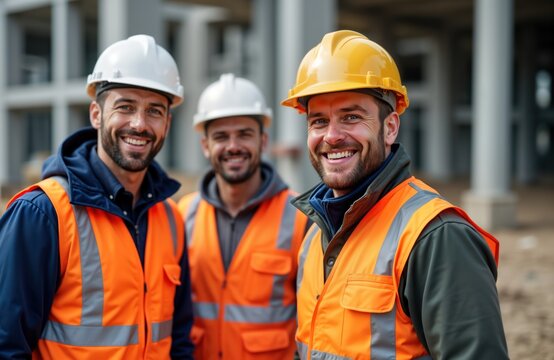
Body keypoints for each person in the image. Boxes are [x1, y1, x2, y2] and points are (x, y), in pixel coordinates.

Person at [281, 30, 509, 359]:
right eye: (319, 121)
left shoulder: (435, 236)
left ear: (390, 128)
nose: (331, 136)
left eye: (351, 117)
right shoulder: (314, 236)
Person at [0, 35, 194, 359]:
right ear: (96, 113)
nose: (139, 124)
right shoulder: (43, 213)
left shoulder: (170, 219)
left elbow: (179, 340)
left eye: (154, 111)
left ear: (168, 123)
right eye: (125, 106)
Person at [177, 73, 311, 359]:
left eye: (244, 134)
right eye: (221, 137)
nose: (233, 146)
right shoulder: (182, 215)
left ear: (263, 141)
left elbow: (314, 321)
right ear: (205, 146)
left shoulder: (300, 217)